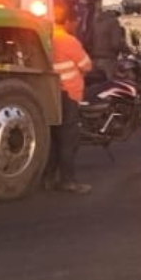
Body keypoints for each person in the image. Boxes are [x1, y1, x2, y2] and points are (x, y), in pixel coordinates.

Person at [46, 20, 93, 194]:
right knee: (68, 139)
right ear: (67, 22)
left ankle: (48, 178)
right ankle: (68, 181)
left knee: (53, 138)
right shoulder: (67, 40)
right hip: (69, 94)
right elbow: (86, 65)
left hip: (49, 95)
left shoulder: (44, 38)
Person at [88, 0, 128, 79]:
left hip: (94, 61)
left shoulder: (95, 21)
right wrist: (127, 49)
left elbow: (88, 41)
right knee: (112, 87)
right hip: (108, 63)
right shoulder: (113, 22)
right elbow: (116, 44)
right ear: (116, 5)